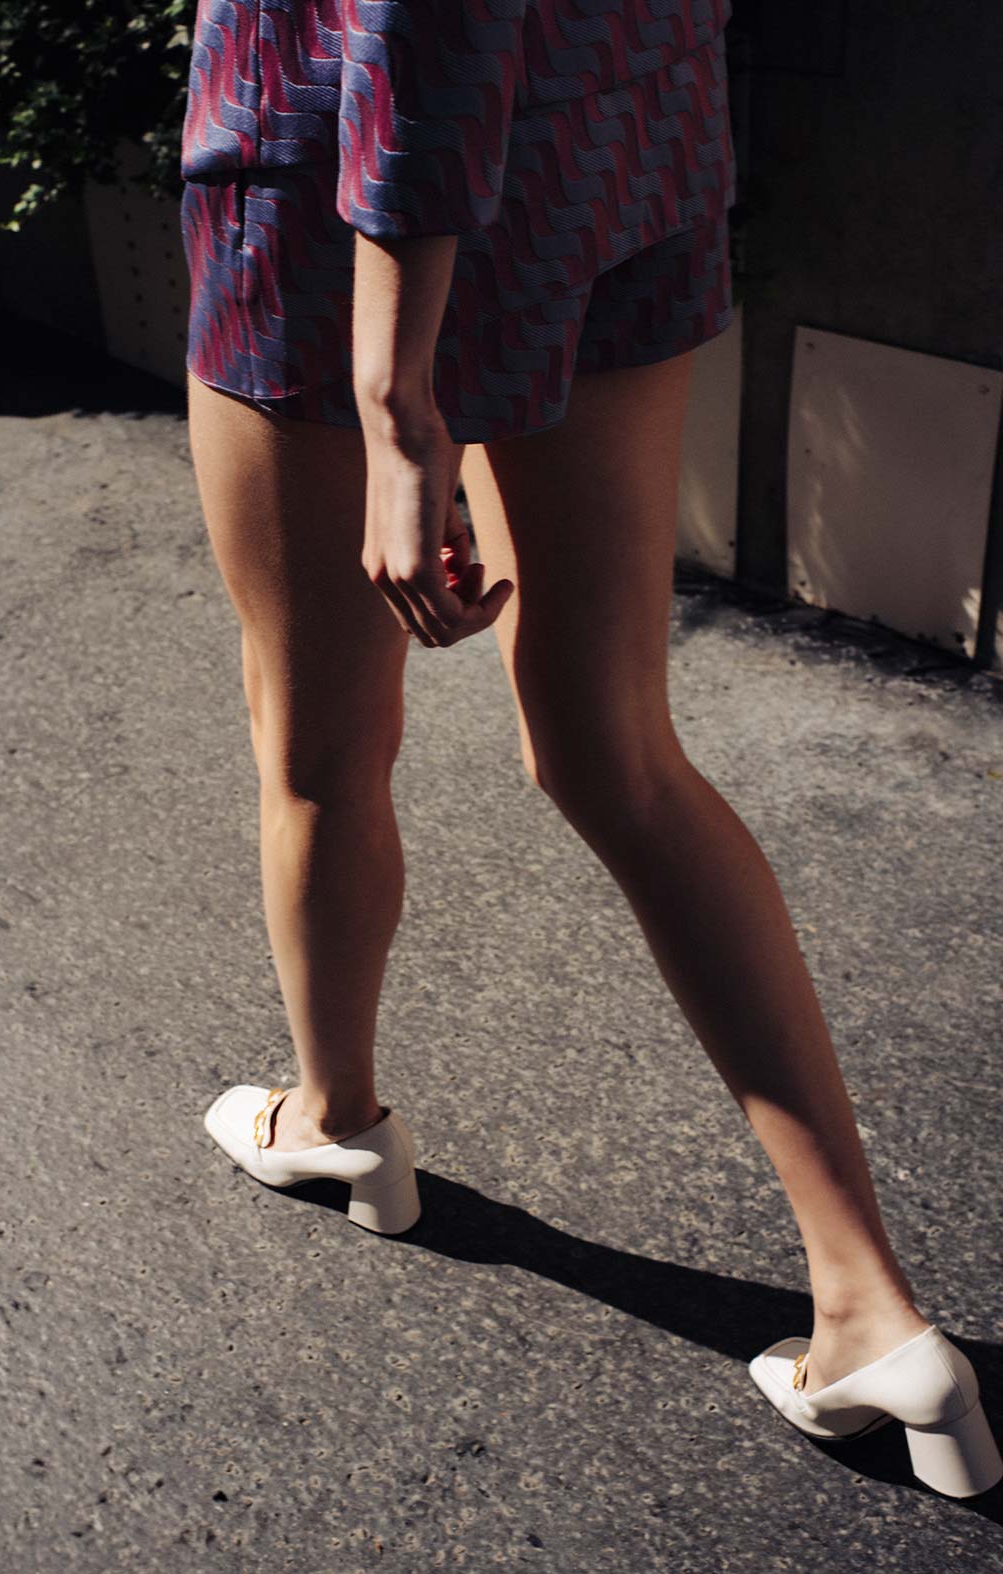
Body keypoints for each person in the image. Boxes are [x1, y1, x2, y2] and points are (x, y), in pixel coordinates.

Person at [180, 0, 1000, 1497]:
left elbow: (420, 33)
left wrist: (399, 400)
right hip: (615, 150)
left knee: (316, 742)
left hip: (331, 199)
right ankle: (871, 1308)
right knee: (617, 746)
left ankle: (342, 1118)